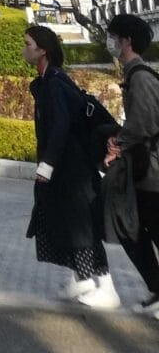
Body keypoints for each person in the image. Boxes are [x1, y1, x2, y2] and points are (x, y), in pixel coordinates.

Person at [24, 23, 119, 307]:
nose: (23, 49)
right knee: (65, 223)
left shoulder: (53, 83)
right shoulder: (46, 81)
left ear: (42, 51)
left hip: (73, 170)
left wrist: (47, 165)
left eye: (27, 44)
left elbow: (61, 126)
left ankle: (108, 288)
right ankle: (83, 281)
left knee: (81, 227)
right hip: (66, 170)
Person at [103, 12, 159, 314]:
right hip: (145, 170)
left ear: (126, 41)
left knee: (142, 230)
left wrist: (119, 145)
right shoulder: (134, 75)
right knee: (136, 230)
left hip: (152, 172)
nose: (109, 42)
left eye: (113, 37)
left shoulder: (141, 77)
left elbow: (145, 122)